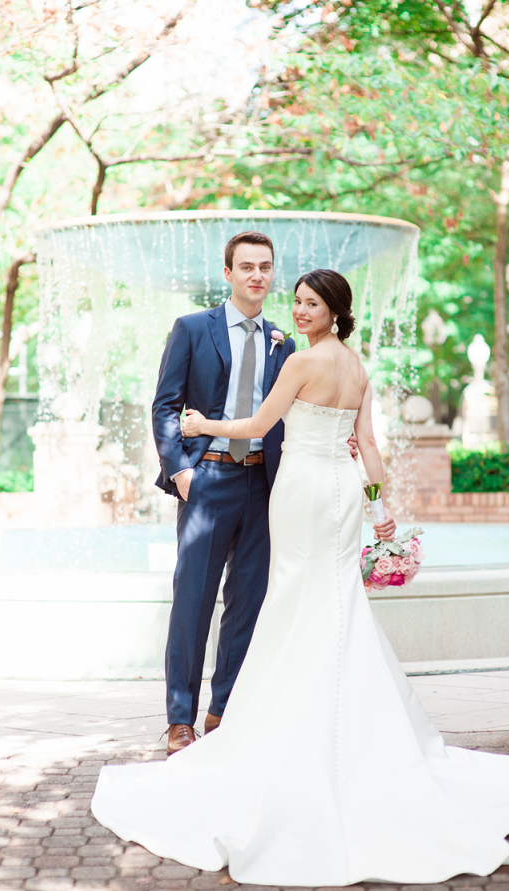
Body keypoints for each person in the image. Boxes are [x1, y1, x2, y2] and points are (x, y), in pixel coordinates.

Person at [92, 269, 509, 886]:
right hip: (342, 493)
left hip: (302, 489)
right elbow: (370, 447)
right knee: (335, 600)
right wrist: (381, 510)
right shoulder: (356, 367)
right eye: (298, 302)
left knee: (295, 599)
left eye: (312, 304)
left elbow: (255, 427)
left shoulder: (302, 365)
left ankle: (281, 722)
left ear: (334, 310)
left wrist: (199, 428)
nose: (300, 311)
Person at [151, 233, 361, 756]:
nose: (257, 276)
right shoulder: (193, 329)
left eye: (265, 267)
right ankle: (181, 720)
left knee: (248, 603)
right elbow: (164, 405)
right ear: (228, 273)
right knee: (193, 601)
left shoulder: (284, 343)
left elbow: (294, 414)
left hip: (267, 486)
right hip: (208, 480)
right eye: (246, 266)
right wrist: (180, 472)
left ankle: (225, 713)